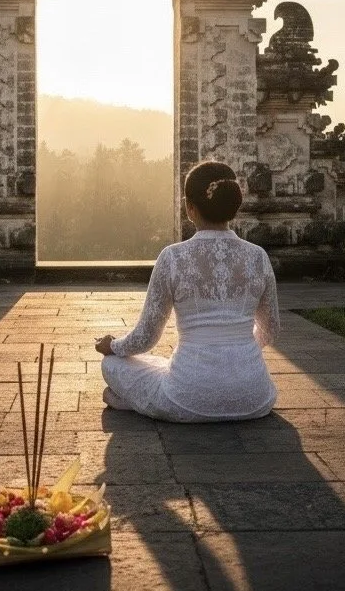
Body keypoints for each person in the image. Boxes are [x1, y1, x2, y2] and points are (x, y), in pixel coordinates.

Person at [94, 160, 280, 422]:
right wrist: (237, 348)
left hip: (188, 395)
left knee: (112, 363)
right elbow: (270, 329)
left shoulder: (172, 257)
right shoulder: (258, 257)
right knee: (158, 365)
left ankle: (132, 401)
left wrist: (112, 345)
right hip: (253, 397)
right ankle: (132, 401)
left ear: (189, 208)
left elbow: (146, 338)